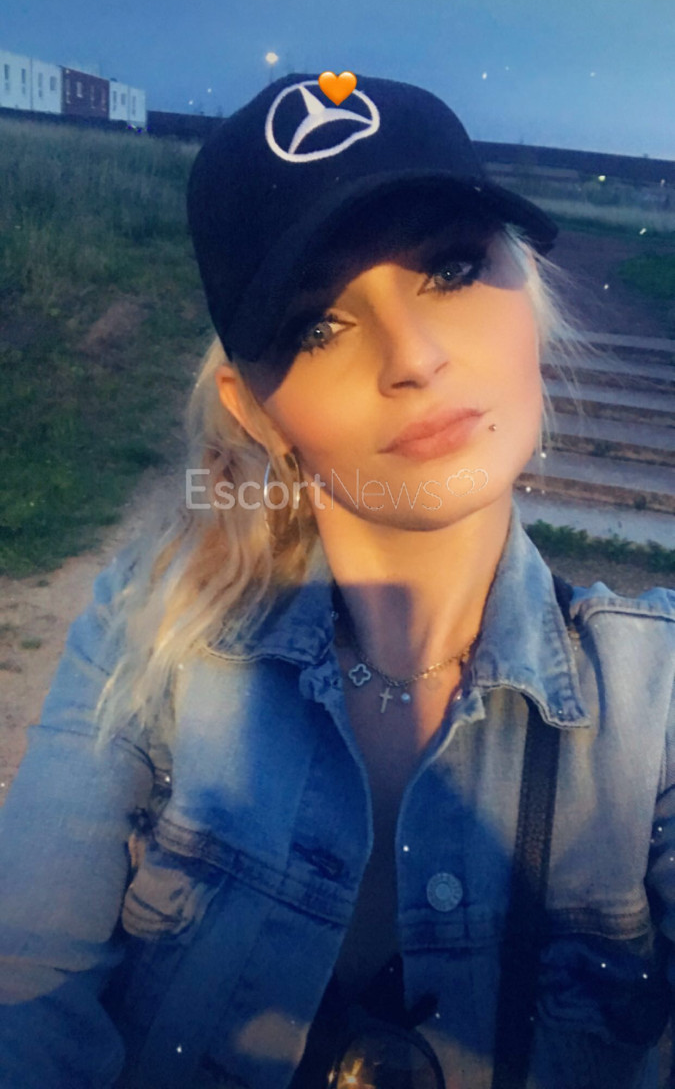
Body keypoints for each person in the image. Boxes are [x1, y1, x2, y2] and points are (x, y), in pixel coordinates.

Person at [0, 71, 673, 1089]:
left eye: (450, 268)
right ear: (253, 410)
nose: (413, 358)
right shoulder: (149, 633)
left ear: (528, 291)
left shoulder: (655, 702)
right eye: (317, 324)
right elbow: (24, 998)